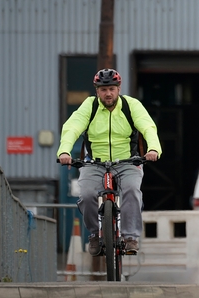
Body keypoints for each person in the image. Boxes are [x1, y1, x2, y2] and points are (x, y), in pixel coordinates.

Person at [57, 68, 161, 256]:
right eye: (103, 89)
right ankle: (95, 234)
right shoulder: (90, 106)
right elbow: (72, 127)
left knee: (131, 190)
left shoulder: (131, 105)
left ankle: (130, 237)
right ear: (97, 91)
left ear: (118, 89)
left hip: (128, 161)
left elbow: (148, 127)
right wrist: (64, 151)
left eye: (112, 89)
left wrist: (153, 149)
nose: (108, 93)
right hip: (94, 163)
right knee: (87, 195)